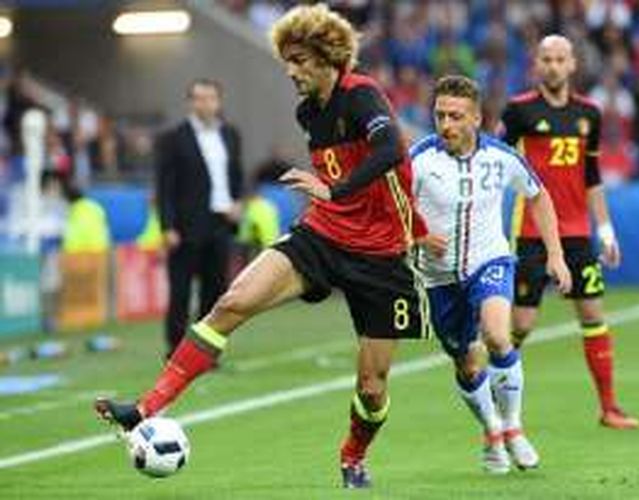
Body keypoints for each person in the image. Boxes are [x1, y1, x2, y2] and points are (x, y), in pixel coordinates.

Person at [95, 3, 430, 489]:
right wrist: (329, 201)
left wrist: (333, 189)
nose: (290, 71)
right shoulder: (307, 111)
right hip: (324, 234)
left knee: (373, 388)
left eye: (299, 60)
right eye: (287, 61)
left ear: (327, 57)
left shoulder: (362, 96)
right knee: (231, 303)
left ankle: (353, 455)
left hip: (383, 253)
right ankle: (145, 408)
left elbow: (389, 150)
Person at [411, 75, 571, 474]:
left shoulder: (501, 157)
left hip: (490, 260)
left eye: (455, 116)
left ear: (477, 118)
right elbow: (389, 210)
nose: (445, 124)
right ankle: (493, 431)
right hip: (437, 278)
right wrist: (417, 234)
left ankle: (514, 428)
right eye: (440, 115)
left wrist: (556, 253)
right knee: (466, 364)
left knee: (498, 335)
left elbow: (538, 195)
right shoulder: (417, 160)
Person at [501, 35, 639, 429]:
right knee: (521, 326)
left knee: (594, 315)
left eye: (560, 59)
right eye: (546, 59)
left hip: (577, 233)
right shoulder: (519, 111)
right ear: (536, 64)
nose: (553, 66)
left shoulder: (589, 114)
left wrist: (607, 228)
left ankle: (609, 407)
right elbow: (497, 163)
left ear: (573, 64)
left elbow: (591, 176)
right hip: (530, 231)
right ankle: (497, 404)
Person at [156, 78, 244, 356]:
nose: (205, 103)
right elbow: (165, 186)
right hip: (186, 225)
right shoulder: (173, 138)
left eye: (210, 98)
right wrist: (167, 226)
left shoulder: (230, 134)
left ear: (218, 102)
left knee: (215, 293)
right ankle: (174, 352)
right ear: (190, 102)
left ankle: (205, 354)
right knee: (180, 293)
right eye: (199, 98)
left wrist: (237, 203)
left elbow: (236, 175)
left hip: (220, 224)